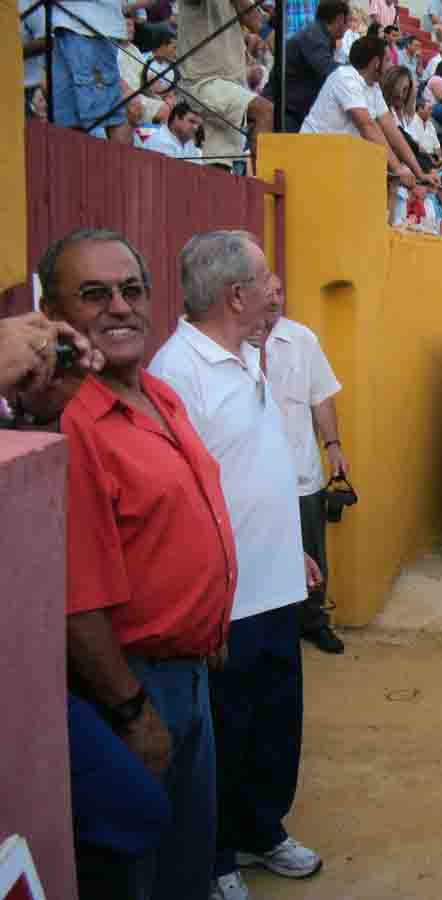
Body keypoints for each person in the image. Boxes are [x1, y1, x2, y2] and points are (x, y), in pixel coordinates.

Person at [33, 229, 232, 900]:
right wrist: (130, 710)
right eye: (94, 295)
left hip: (189, 671)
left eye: (131, 290)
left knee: (187, 860)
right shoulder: (76, 423)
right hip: (131, 684)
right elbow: (76, 599)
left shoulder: (158, 393)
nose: (118, 307)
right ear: (54, 316)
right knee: (139, 870)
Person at [148, 231, 322, 900]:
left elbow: (251, 471)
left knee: (276, 721)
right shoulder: (177, 373)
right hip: (226, 599)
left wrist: (292, 547)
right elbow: (182, 498)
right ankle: (217, 856)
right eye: (265, 276)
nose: (274, 286)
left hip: (276, 582)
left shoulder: (245, 354)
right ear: (235, 294)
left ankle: (262, 830)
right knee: (226, 731)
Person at [257, 278, 349, 655]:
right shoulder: (237, 342)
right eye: (269, 291)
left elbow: (321, 398)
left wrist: (334, 447)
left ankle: (314, 621)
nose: (276, 298)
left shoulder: (302, 339)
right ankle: (269, 628)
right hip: (256, 477)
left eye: (281, 291)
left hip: (301, 469)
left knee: (312, 548)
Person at [177, 0, 274, 165]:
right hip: (203, 83)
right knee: (264, 111)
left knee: (219, 165)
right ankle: (264, 187)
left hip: (232, 85)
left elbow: (255, 20)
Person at [300, 36, 409, 178]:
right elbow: (367, 126)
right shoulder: (345, 77)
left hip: (334, 159)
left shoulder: (374, 87)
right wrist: (397, 168)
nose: (392, 65)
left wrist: (420, 173)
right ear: (376, 63)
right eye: (388, 60)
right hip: (310, 155)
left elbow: (392, 131)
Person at [49, 0, 131, 143]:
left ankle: (123, 165)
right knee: (68, 119)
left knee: (110, 116)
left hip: (89, 28)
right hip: (64, 25)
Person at [274, 0, 350, 132]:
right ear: (340, 19)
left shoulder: (320, 34)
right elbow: (329, 71)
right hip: (286, 112)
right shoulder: (314, 35)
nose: (348, 27)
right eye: (348, 22)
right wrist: (357, 71)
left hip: (294, 109)